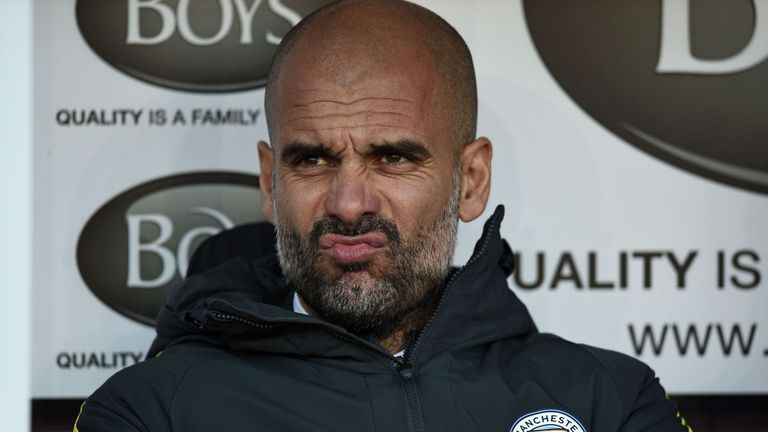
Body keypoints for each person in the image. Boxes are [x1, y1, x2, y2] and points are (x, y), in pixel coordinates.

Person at [75, 1, 691, 431]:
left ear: (470, 181)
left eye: (393, 158)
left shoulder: (609, 400)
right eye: (312, 160)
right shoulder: (152, 413)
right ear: (270, 183)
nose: (348, 204)